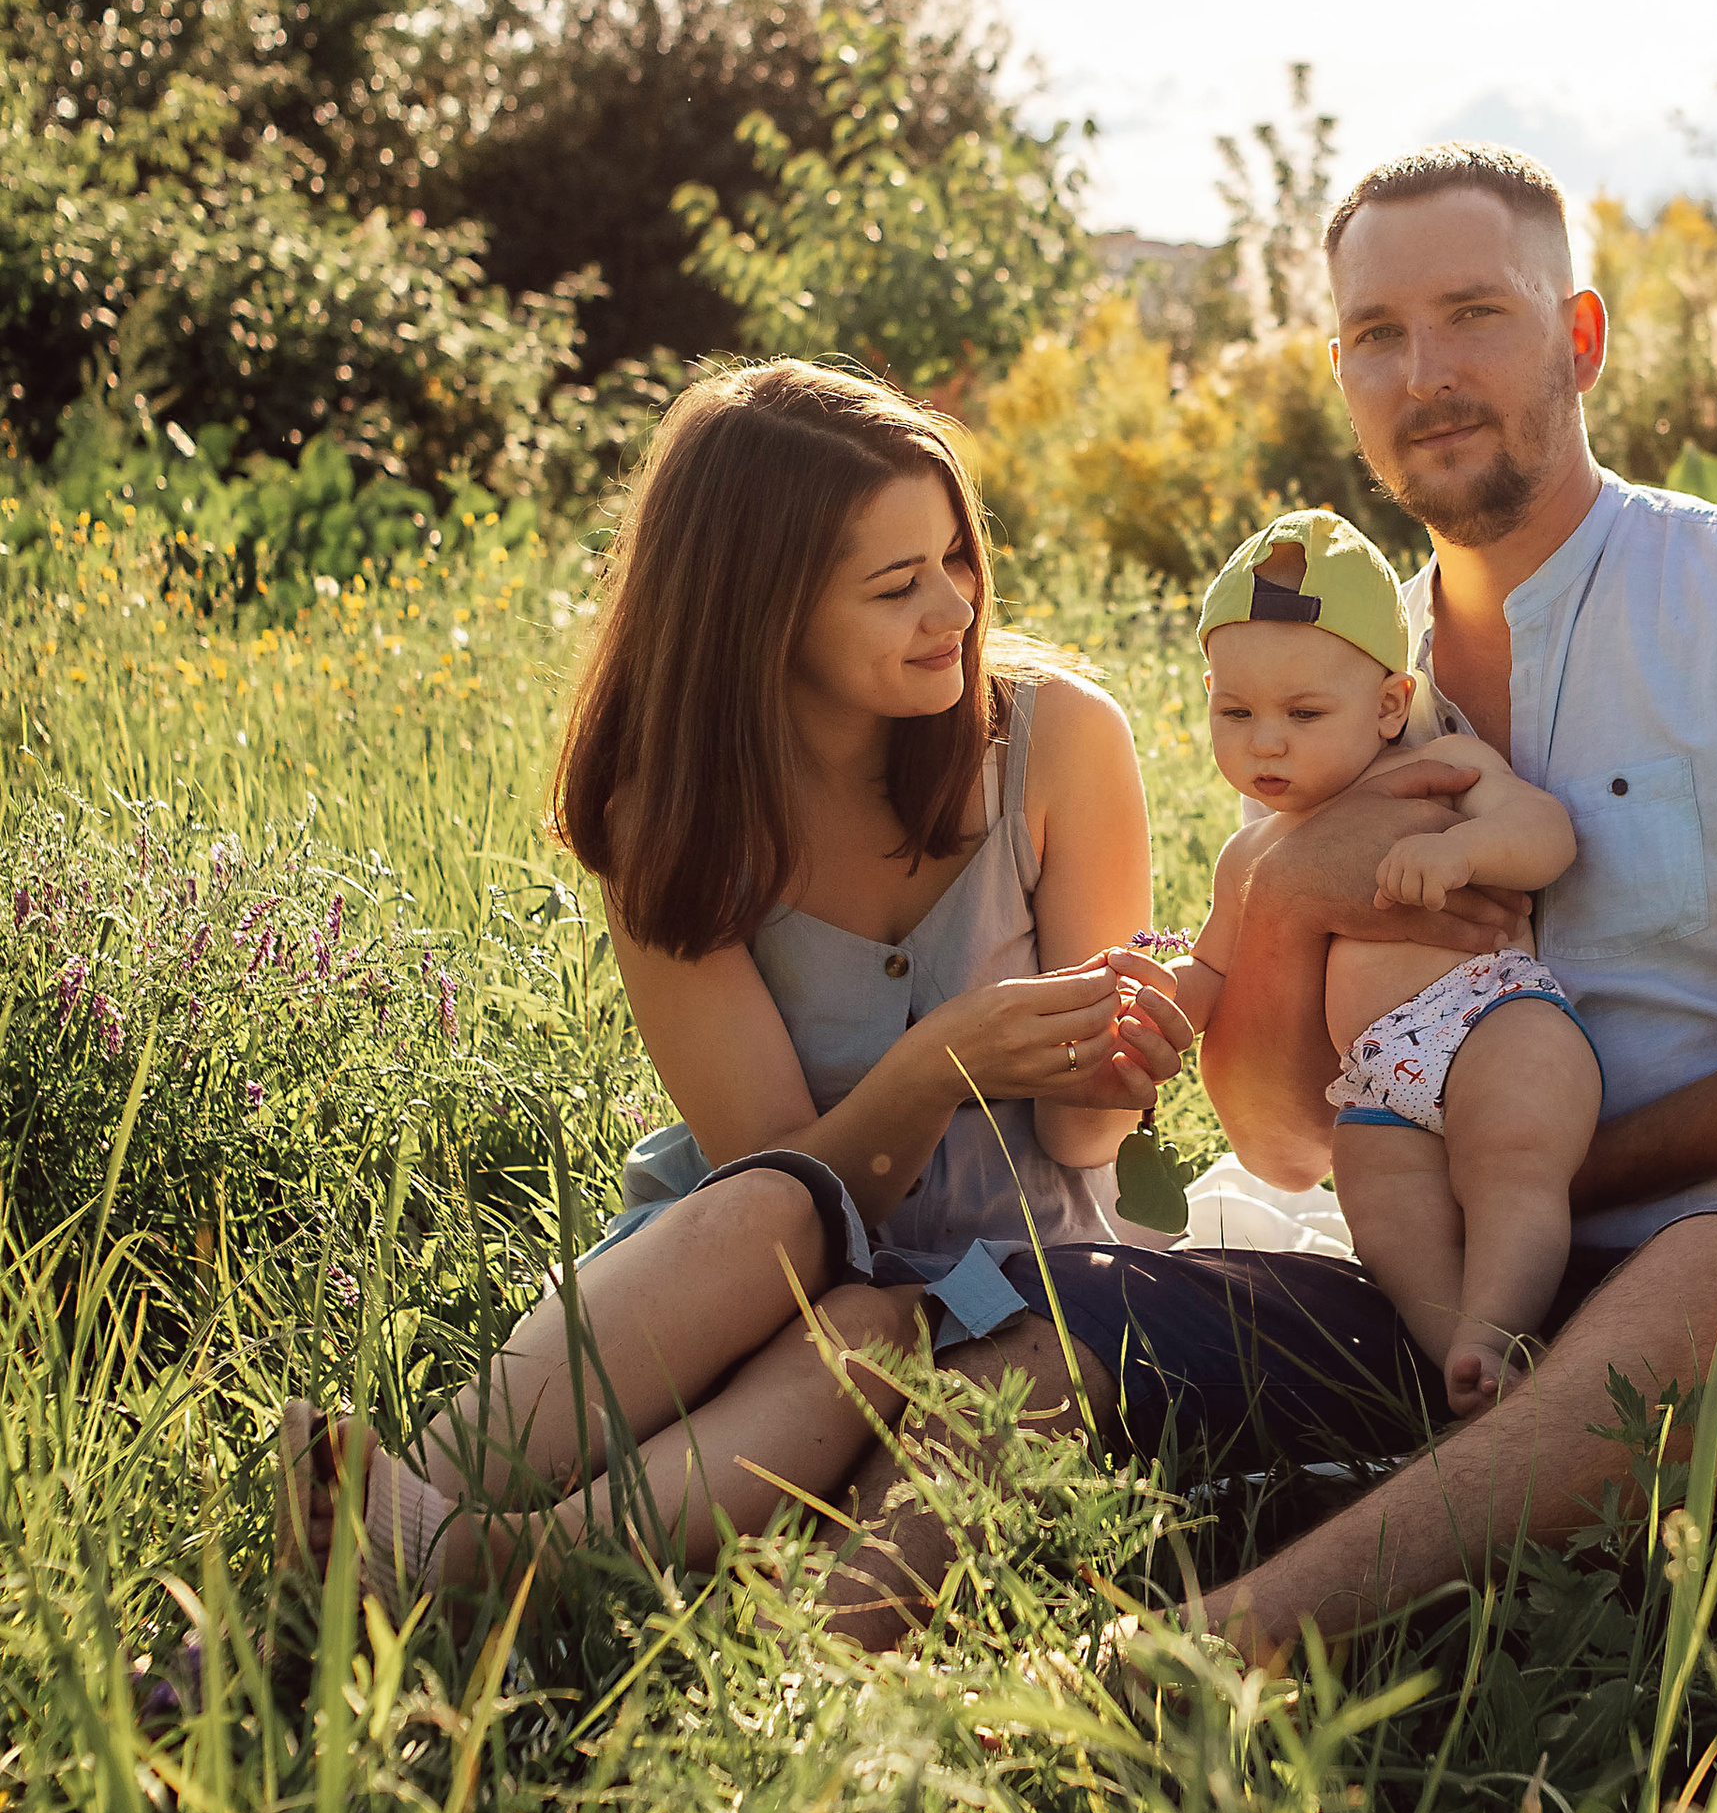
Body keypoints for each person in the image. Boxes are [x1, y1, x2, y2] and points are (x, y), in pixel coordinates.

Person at [1000, 141, 1717, 1662]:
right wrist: (1280, 897)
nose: (1426, 371)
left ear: (1583, 337)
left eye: (1475, 312)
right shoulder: (1336, 686)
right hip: (1433, 1279)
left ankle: (1211, 1655)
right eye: (1375, 336)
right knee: (1034, 1319)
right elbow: (1289, 1142)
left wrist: (1578, 1173)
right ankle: (827, 1710)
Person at [275, 360, 1189, 1640]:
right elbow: (791, 1185)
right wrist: (934, 1065)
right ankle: (388, 1521)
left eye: (955, 560)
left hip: (1023, 1260)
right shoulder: (676, 809)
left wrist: (1118, 1074)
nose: (954, 609)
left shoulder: (1059, 741)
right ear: (766, 613)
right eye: (896, 585)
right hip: (764, 1250)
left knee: (878, 1331)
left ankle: (486, 1566)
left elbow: (1087, 1149)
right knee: (798, 1240)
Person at [1163, 504, 1598, 1417]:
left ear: (1391, 704)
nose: (1265, 740)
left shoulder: (1444, 766)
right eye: (1233, 710)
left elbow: (1545, 832)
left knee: (1512, 1162)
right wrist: (1160, 1002)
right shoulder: (1253, 857)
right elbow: (1212, 971)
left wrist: (1464, 854)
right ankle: (1463, 1362)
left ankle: (1501, 1321)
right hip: (1376, 1081)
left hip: (1492, 1019)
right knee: (1386, 1220)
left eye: (1303, 713)